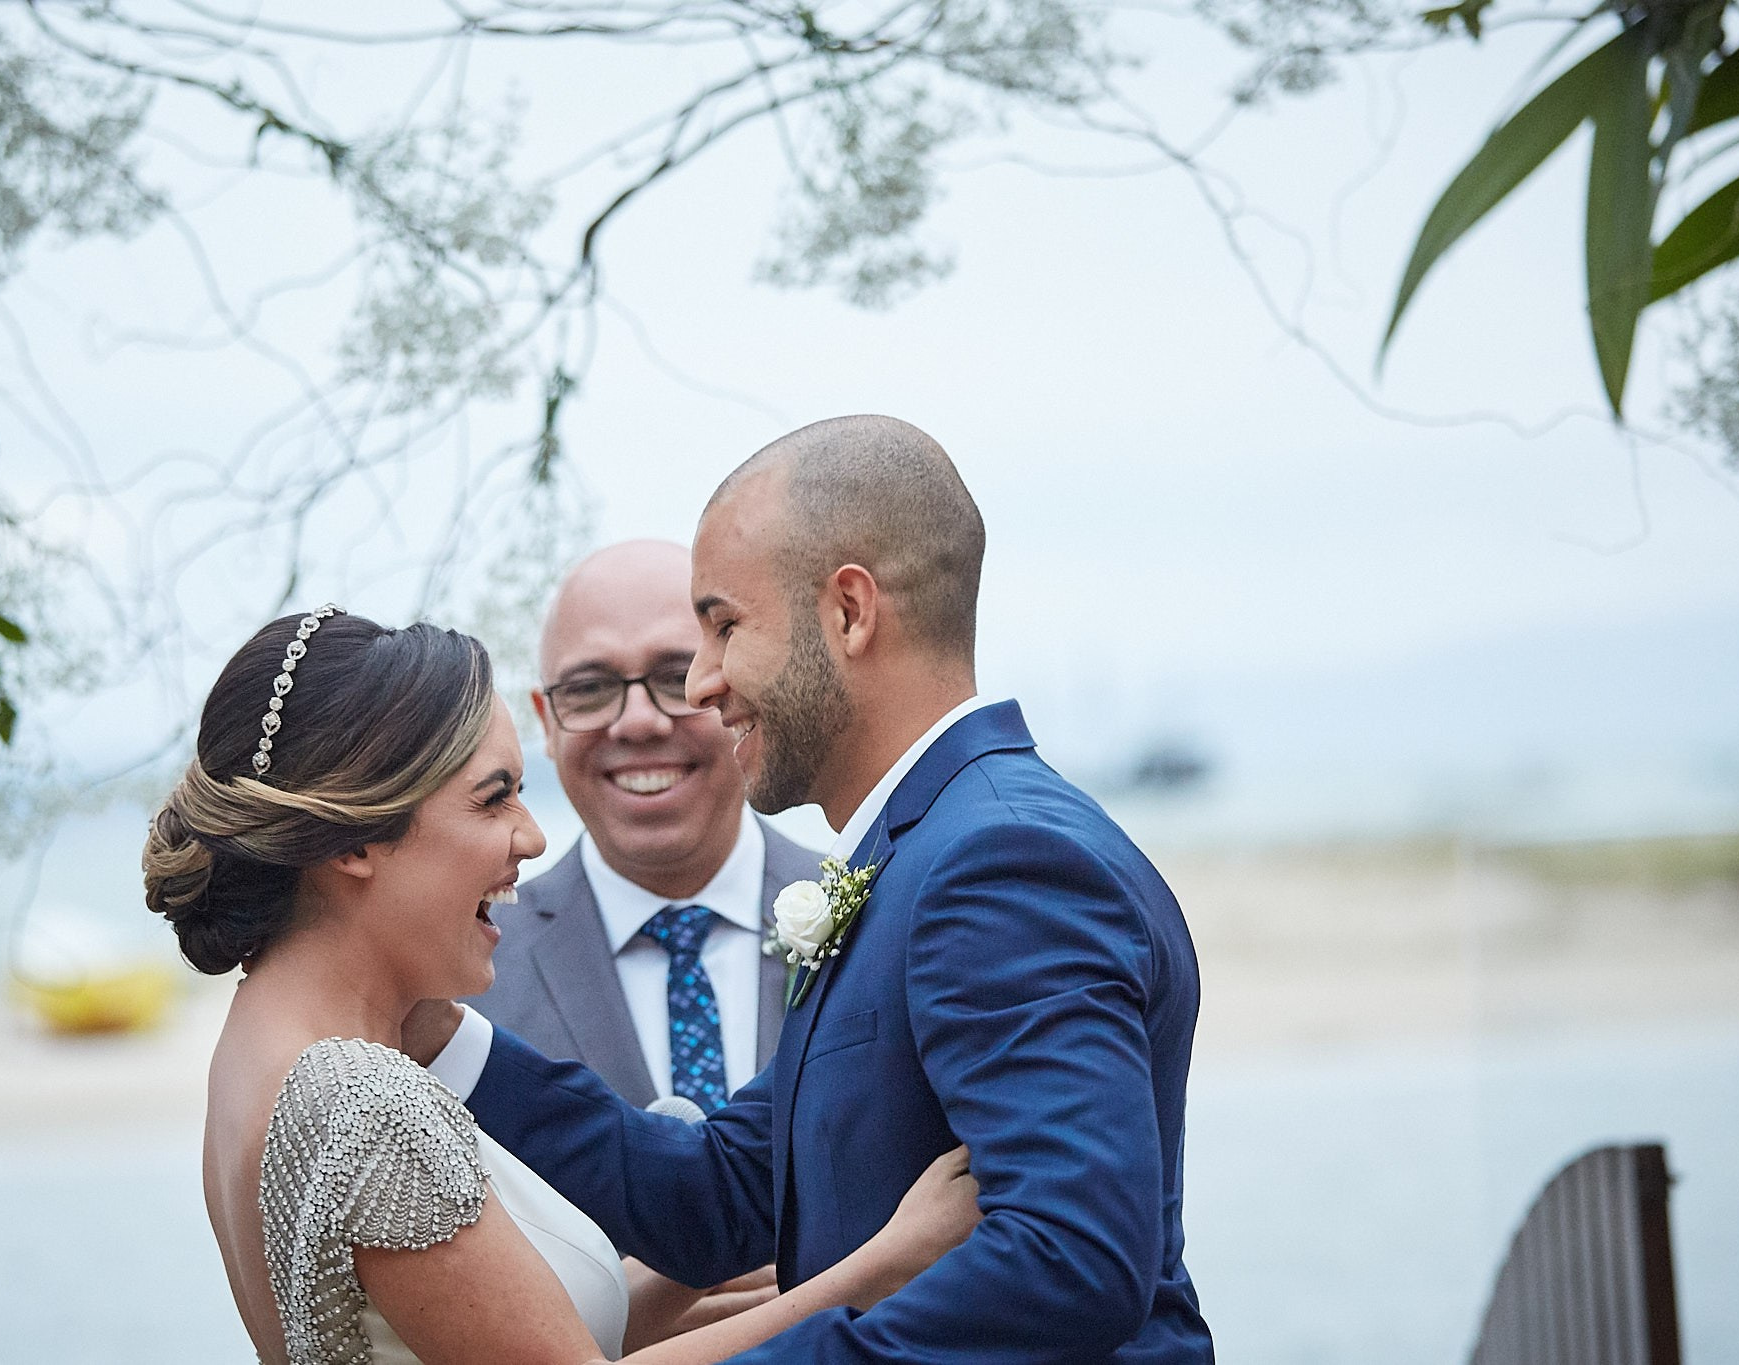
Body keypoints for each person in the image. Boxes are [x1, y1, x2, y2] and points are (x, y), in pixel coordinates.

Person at [418, 416, 1215, 1361]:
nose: (702, 682)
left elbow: (1068, 1260)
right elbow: (721, 1195)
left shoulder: (1000, 861)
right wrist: (438, 1033)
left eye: (724, 627)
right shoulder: (915, 852)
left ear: (849, 612)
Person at [141, 607, 979, 1365]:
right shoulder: (365, 1101)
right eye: (493, 799)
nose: (533, 837)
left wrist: (702, 1249)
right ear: (353, 838)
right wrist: (881, 1267)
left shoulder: (256, 1051)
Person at [473, 539, 820, 1109]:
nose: (638, 723)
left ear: (741, 695)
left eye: (676, 677)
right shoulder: (465, 979)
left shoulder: (879, 919)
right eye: (589, 689)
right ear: (547, 722)